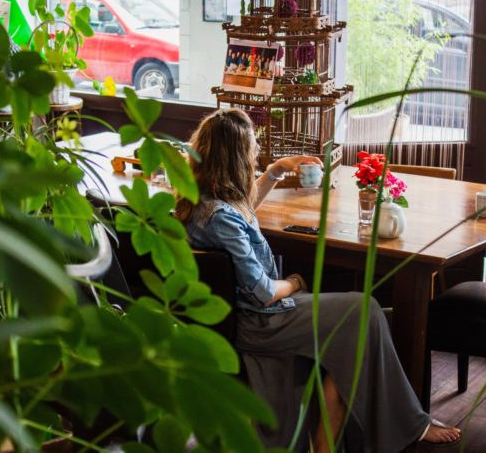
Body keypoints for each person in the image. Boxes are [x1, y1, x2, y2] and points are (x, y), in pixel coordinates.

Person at [175, 109, 461, 453]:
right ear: (234, 157)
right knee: (364, 311)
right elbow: (264, 292)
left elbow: (243, 212)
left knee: (360, 324)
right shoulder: (222, 219)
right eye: (252, 147)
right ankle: (402, 426)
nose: (255, 152)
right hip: (263, 320)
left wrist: (275, 171)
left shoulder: (202, 203)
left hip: (254, 315)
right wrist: (297, 282)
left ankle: (335, 442)